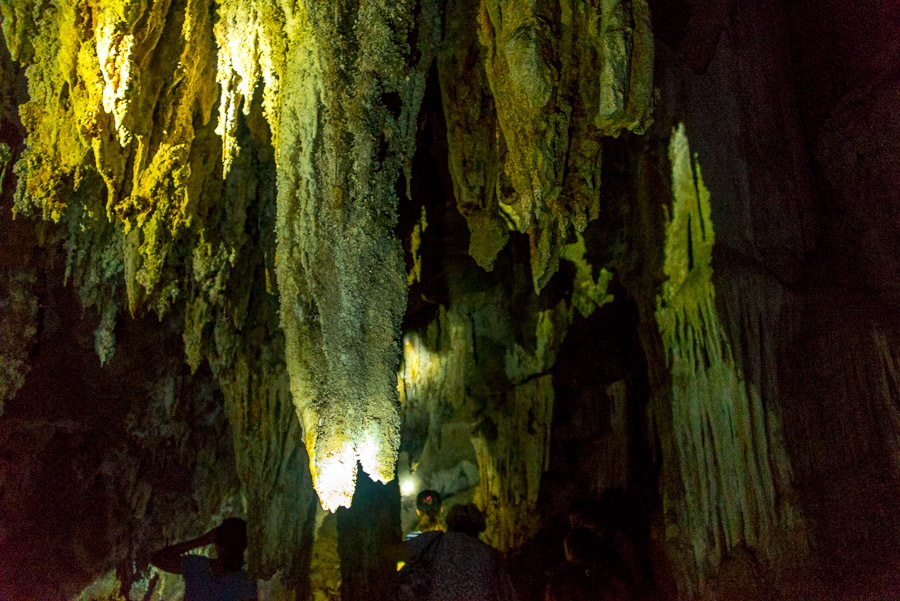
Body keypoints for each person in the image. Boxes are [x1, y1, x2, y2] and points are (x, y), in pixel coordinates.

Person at [398, 502, 518, 601]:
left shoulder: (433, 541)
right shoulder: (490, 554)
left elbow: (399, 553)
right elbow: (508, 594)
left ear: (450, 523)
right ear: (478, 527)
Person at [150, 517, 257, 601]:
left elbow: (157, 558)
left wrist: (203, 540)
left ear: (217, 542)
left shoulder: (197, 566)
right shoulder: (246, 583)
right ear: (244, 547)